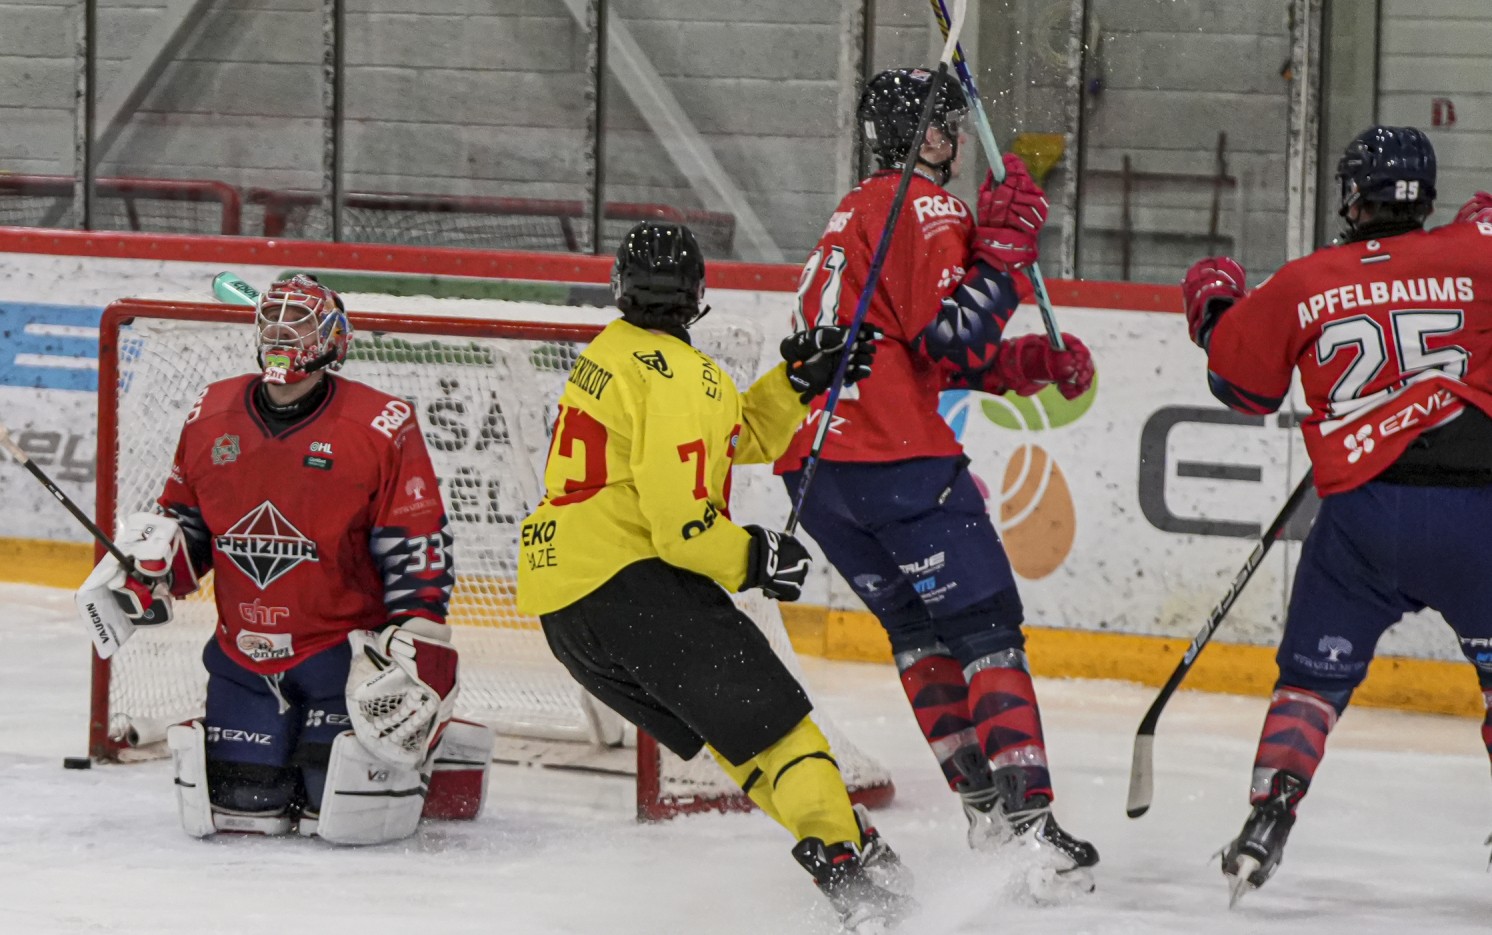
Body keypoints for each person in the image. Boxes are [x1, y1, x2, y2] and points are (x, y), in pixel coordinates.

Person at [1181, 126, 1492, 905]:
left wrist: (1214, 304)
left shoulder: (1305, 280)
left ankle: (1268, 818)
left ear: (1352, 196)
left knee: (1311, 679)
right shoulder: (1473, 253)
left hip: (1362, 517)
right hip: (1473, 515)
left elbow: (1242, 386)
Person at [517, 223, 910, 932]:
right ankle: (846, 863)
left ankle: (840, 836)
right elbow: (681, 528)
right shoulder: (681, 374)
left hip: (565, 609)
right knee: (785, 735)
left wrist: (796, 382)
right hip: (634, 587)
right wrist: (755, 557)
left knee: (747, 744)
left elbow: (730, 435)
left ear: (620, 288)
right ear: (698, 294)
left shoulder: (611, 353)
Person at [773, 68, 1099, 894]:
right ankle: (1030, 830)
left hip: (818, 475)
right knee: (985, 626)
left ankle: (984, 806)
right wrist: (1007, 254)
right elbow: (953, 337)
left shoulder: (855, 209)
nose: (957, 139)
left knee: (918, 631)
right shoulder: (925, 207)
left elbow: (917, 347)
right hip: (895, 459)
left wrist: (1026, 362)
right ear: (927, 138)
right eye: (947, 126)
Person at [81, 274, 469, 843]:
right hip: (242, 656)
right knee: (245, 808)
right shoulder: (211, 411)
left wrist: (418, 632)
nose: (283, 336)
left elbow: (415, 541)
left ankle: (445, 743)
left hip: (343, 656)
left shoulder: (379, 423)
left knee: (337, 814)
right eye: (274, 323)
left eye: (301, 326)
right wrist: (150, 571)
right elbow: (187, 524)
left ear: (333, 340)